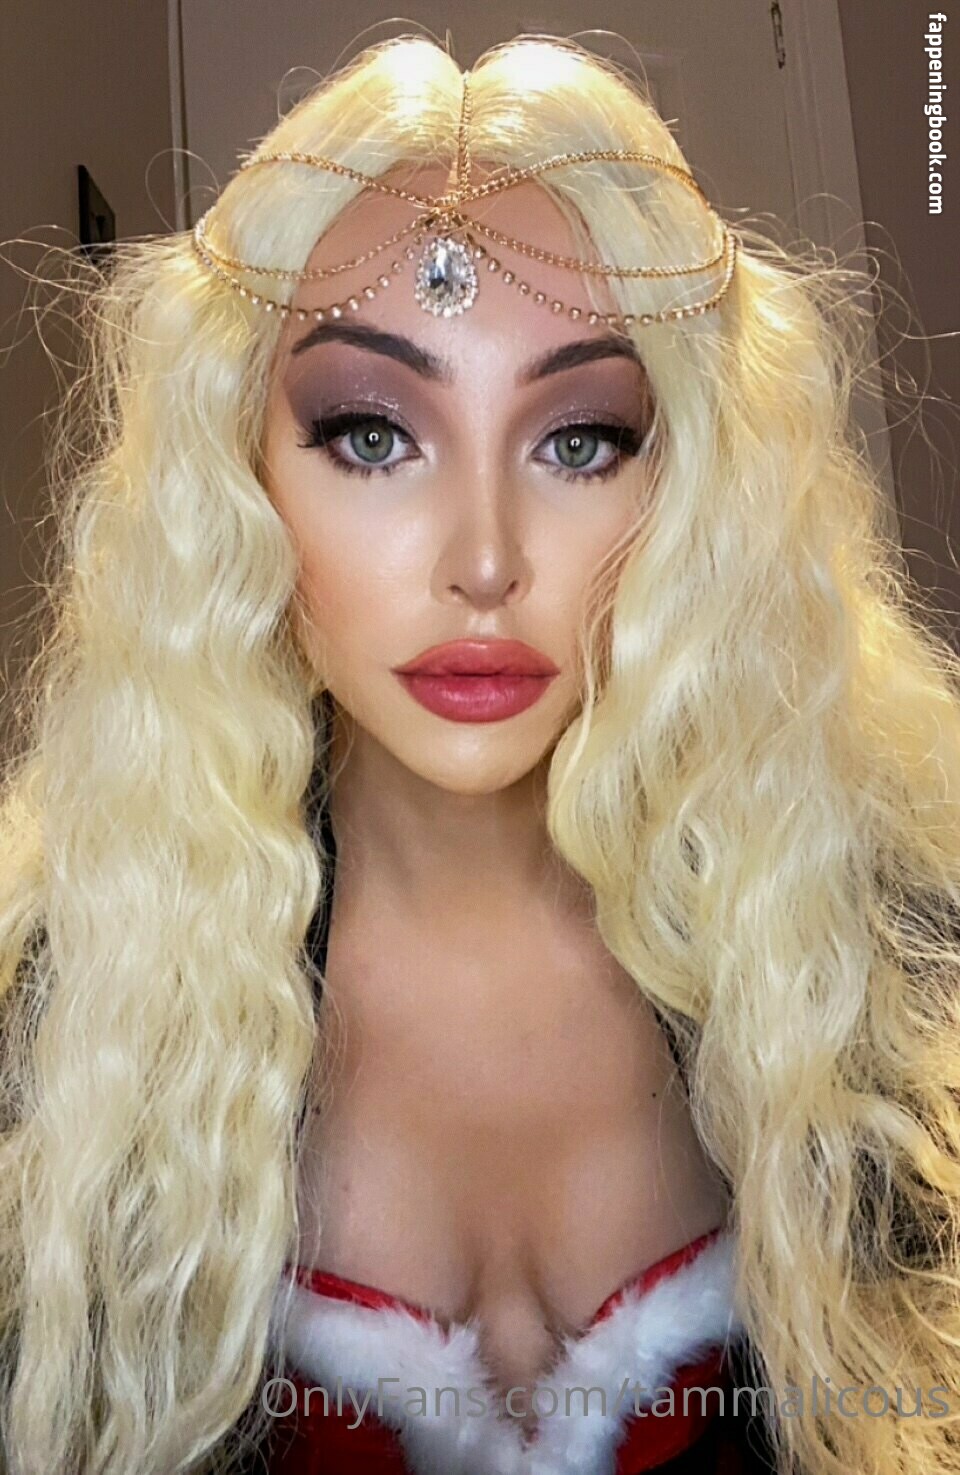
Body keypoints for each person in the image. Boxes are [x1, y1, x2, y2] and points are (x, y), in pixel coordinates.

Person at [0, 30, 958, 1475]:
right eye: (373, 436)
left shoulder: (879, 979)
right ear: (238, 474)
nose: (487, 561)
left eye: (580, 442)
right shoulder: (61, 1030)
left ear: (690, 487)